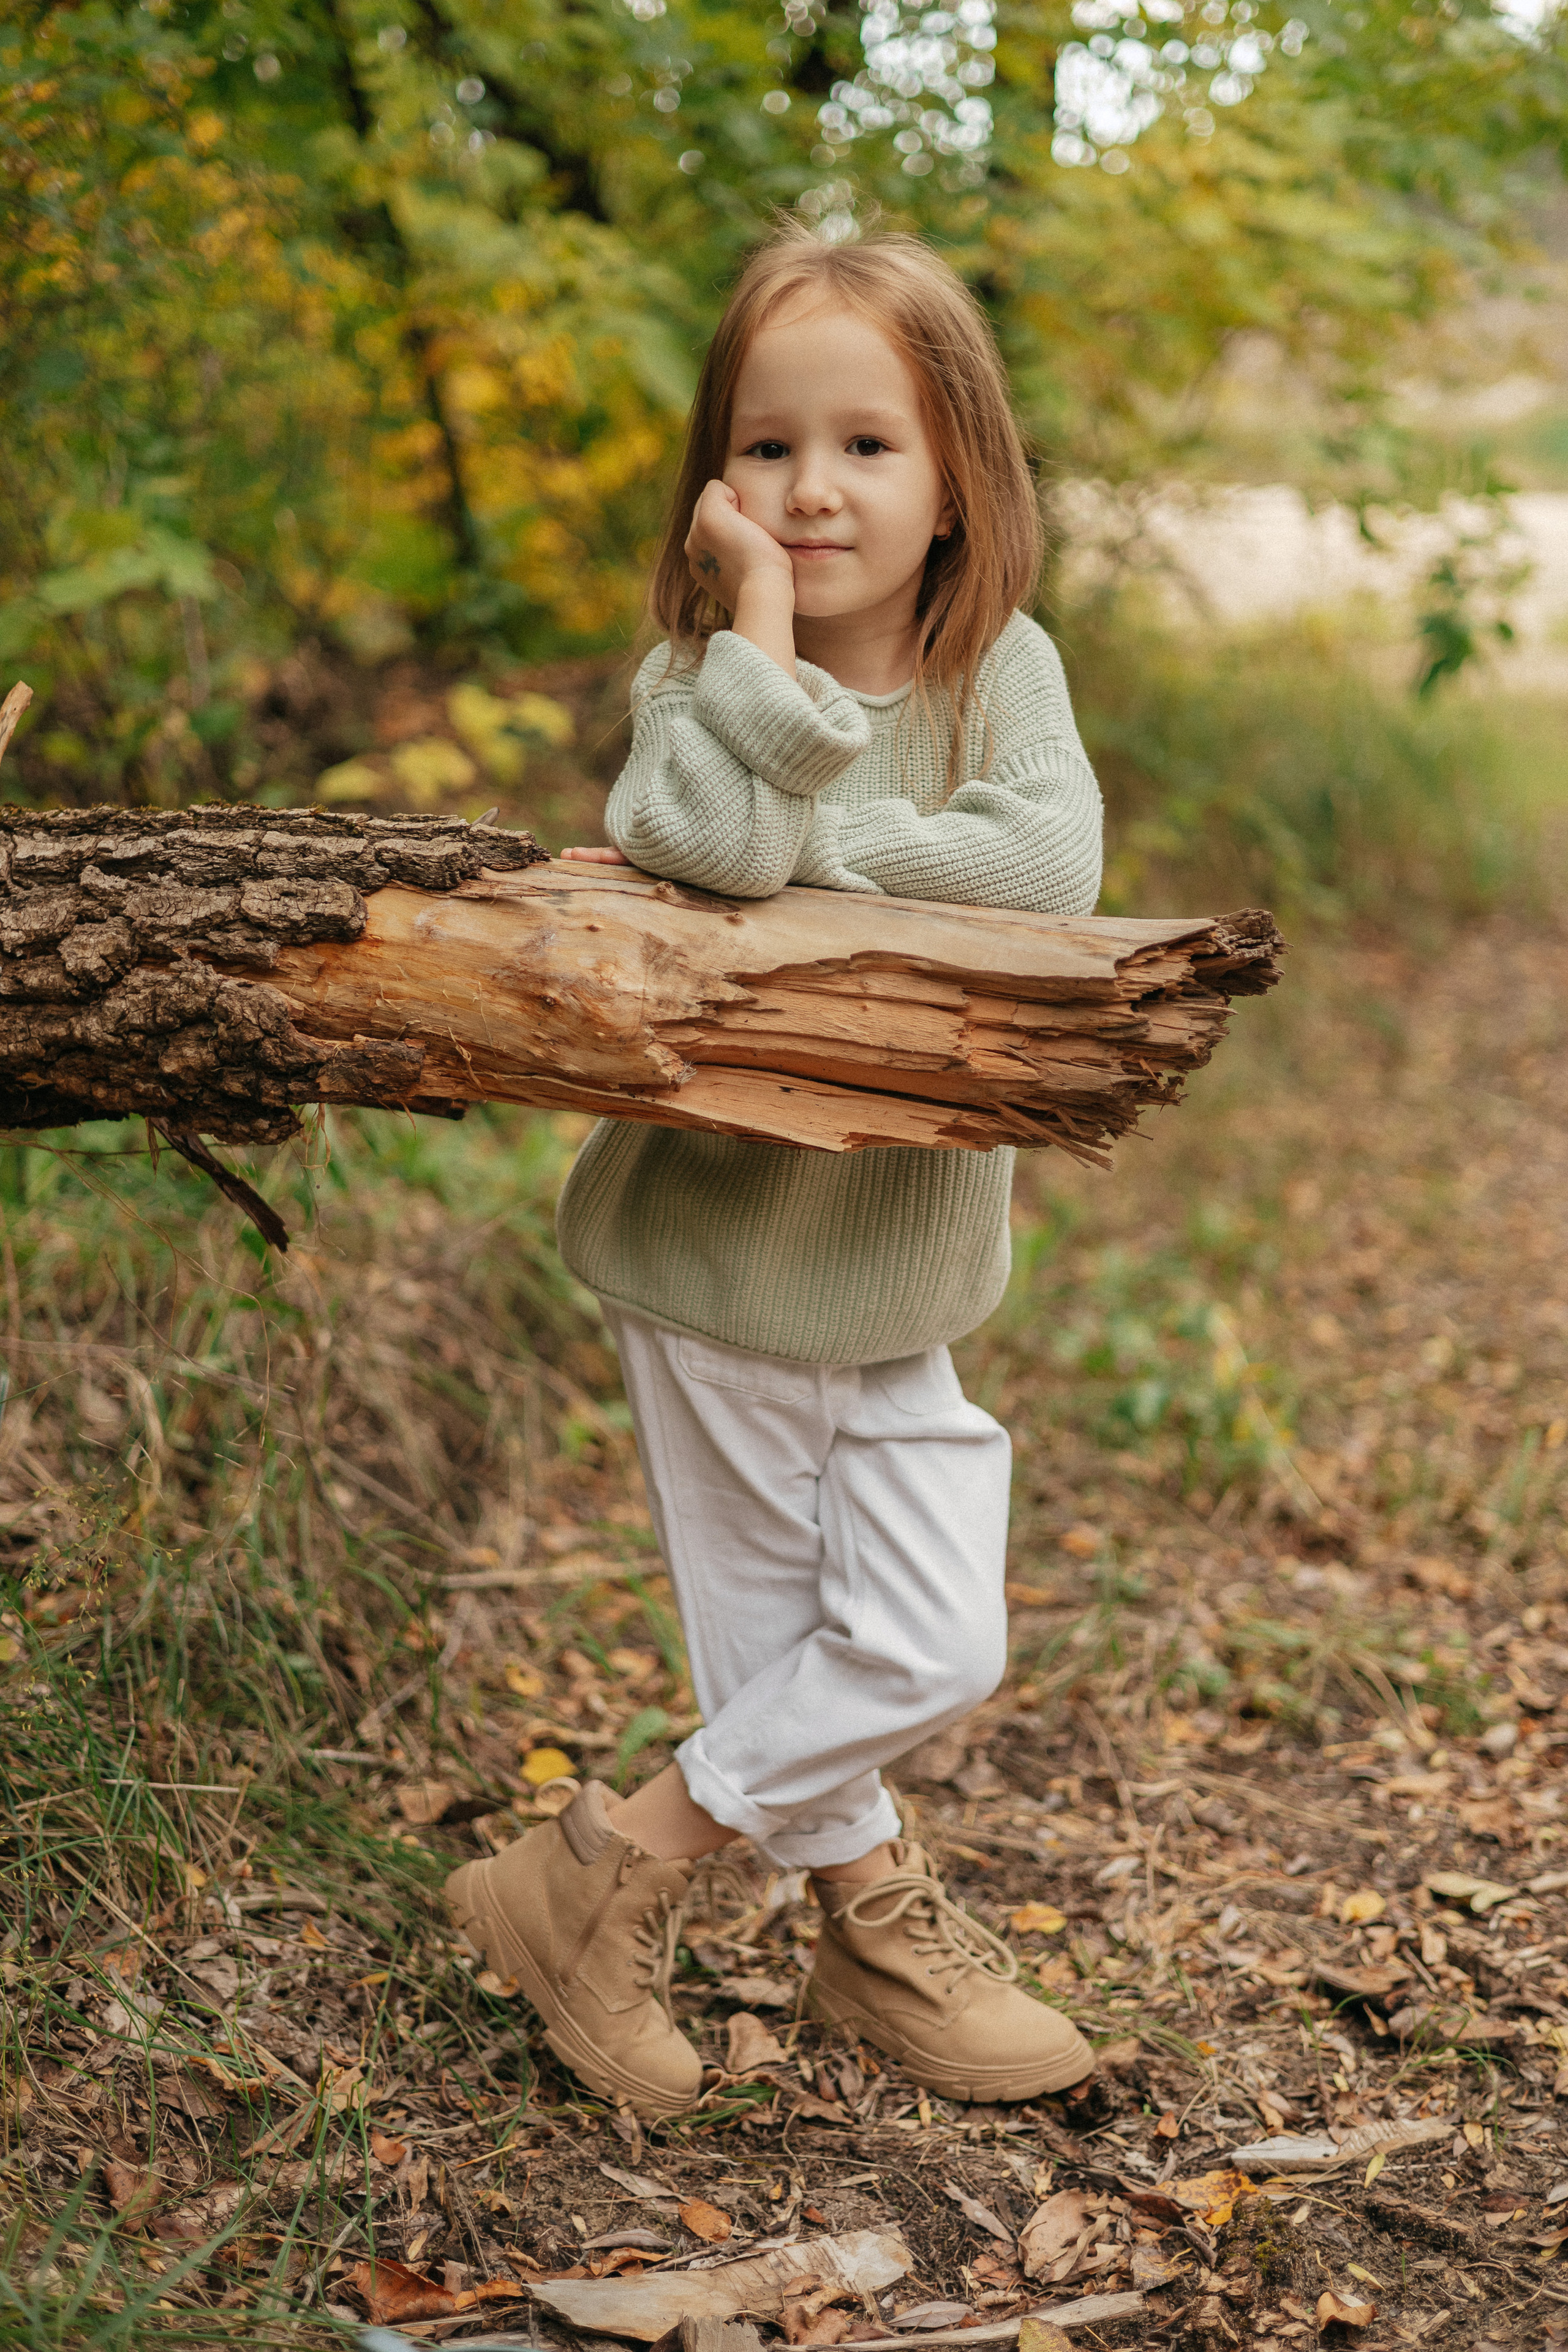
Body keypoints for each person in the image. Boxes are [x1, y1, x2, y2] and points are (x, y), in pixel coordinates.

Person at [447, 221, 1102, 2120]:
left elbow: (1043, 876)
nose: (812, 489)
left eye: (868, 445)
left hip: (896, 1271)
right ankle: (874, 1929)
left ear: (961, 473)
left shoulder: (1003, 674)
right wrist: (754, 636)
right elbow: (707, 849)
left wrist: (834, 864)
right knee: (785, 1636)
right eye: (765, 448)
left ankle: (604, 1869)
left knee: (926, 1633)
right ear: (715, 483)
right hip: (719, 1264)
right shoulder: (693, 680)